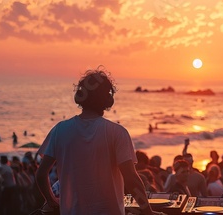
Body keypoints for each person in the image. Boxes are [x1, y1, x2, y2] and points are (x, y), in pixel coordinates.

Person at [36, 68, 160, 215]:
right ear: (108, 100)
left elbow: (41, 174)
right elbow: (131, 179)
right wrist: (148, 212)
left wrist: (51, 201)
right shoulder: (117, 132)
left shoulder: (60, 130)